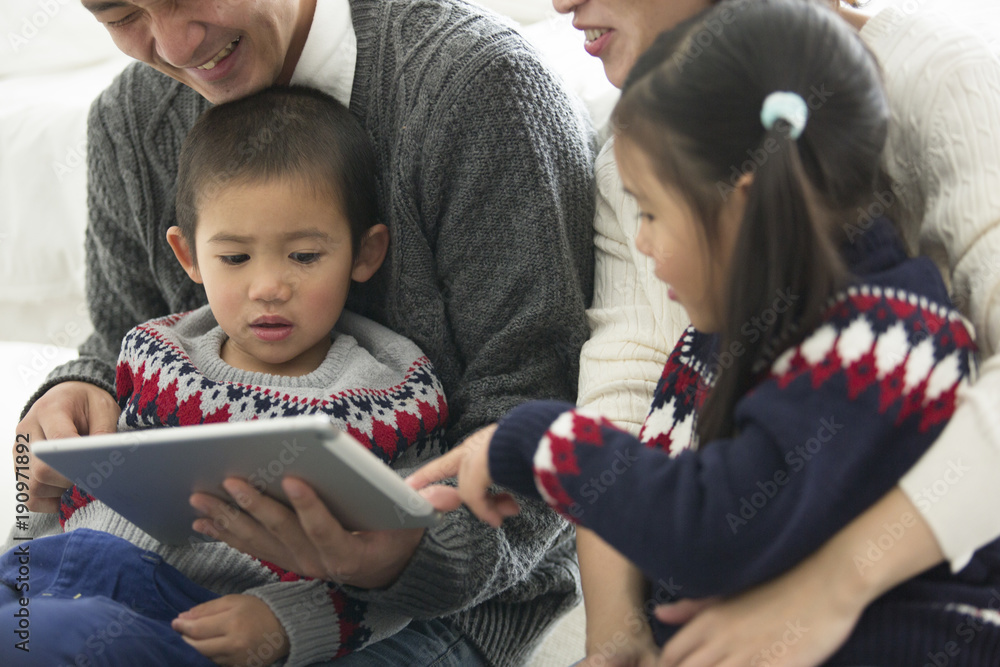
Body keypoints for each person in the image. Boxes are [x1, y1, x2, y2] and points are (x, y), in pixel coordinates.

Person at [410, 1, 1000, 665]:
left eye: (653, 214)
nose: (641, 241)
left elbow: (713, 522)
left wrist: (534, 439)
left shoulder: (874, 347)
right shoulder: (749, 321)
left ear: (741, 203)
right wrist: (620, 639)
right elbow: (638, 428)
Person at [15, 0, 595, 664]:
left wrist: (407, 558)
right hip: (158, 571)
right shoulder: (131, 120)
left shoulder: (479, 89)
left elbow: (551, 413)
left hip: (436, 607)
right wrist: (77, 391)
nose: (174, 46)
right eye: (121, 14)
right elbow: (123, 334)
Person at [1, 85, 454, 667]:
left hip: (184, 618)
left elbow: (406, 562)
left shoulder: (393, 401)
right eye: (235, 258)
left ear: (365, 253)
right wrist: (26, 499)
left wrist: (286, 623)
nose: (267, 286)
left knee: (61, 637)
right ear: (188, 256)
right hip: (47, 577)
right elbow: (43, 488)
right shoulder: (151, 351)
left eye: (305, 256)